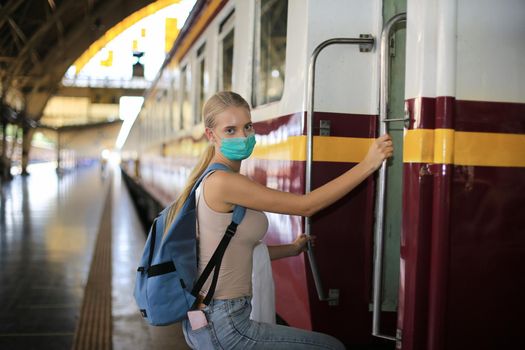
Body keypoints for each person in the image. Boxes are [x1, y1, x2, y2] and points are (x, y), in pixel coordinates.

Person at [165, 91, 393, 349]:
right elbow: (306, 206)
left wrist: (292, 249)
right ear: (211, 135)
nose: (243, 136)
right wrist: (368, 164)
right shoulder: (223, 182)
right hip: (225, 324)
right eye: (230, 130)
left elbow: (233, 253)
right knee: (332, 347)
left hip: (212, 320)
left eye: (247, 127)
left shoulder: (213, 178)